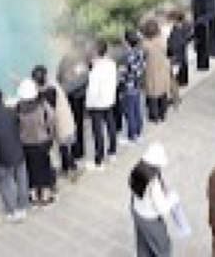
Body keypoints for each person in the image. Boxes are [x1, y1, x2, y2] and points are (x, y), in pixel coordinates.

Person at [0, 86, 30, 221]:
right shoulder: (11, 112)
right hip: (18, 151)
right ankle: (23, 207)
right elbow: (18, 125)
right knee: (22, 180)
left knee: (5, 183)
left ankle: (11, 211)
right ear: (2, 98)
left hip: (3, 156)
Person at [130, 142, 178, 257]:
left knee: (143, 246)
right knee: (163, 248)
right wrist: (172, 199)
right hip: (150, 219)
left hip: (137, 213)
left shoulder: (137, 171)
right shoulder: (153, 183)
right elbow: (163, 210)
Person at [16, 78, 57, 206]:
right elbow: (51, 120)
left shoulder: (18, 109)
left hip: (26, 143)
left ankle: (33, 197)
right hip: (43, 141)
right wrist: (51, 136)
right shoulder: (43, 106)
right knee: (44, 168)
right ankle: (45, 197)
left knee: (31, 169)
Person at [33, 65, 78, 181]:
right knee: (65, 147)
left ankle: (71, 170)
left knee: (64, 148)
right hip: (66, 121)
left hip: (62, 124)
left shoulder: (49, 91)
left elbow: (48, 107)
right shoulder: (53, 85)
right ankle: (68, 168)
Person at [86, 40, 119, 170]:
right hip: (109, 100)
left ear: (95, 52)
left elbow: (92, 92)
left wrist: (88, 106)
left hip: (97, 104)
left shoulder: (96, 71)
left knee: (98, 131)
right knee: (111, 126)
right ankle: (113, 152)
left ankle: (99, 160)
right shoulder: (111, 64)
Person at [142, 19, 173, 123]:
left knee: (153, 94)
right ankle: (162, 114)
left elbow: (143, 56)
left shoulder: (145, 44)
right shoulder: (163, 40)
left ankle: (154, 116)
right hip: (163, 68)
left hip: (151, 70)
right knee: (163, 92)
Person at [122, 30, 147, 144]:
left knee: (130, 112)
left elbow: (125, 72)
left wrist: (120, 75)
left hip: (129, 86)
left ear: (127, 42)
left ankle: (131, 136)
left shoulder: (128, 55)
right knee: (137, 109)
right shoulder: (140, 52)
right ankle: (138, 132)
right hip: (137, 85)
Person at [166, 10, 193, 103]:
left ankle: (175, 98)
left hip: (175, 57)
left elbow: (174, 44)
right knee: (174, 78)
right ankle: (176, 97)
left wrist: (169, 50)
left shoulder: (177, 30)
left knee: (173, 79)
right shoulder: (184, 27)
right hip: (180, 56)